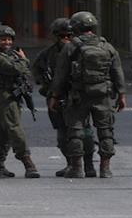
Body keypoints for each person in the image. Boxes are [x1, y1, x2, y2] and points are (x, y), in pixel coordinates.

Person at [50, 11, 125, 179]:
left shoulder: (71, 47)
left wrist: (54, 96)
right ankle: (105, 169)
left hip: (79, 95)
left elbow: (60, 75)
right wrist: (121, 95)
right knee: (105, 131)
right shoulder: (107, 46)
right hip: (103, 95)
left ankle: (77, 168)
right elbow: (117, 72)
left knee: (75, 132)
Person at [33, 18, 97, 177]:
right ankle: (71, 164)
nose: (65, 39)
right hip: (57, 98)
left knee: (84, 132)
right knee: (62, 136)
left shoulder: (83, 51)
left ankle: (89, 165)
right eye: (62, 36)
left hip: (77, 97)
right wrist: (48, 85)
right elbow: (37, 72)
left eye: (69, 35)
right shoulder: (47, 54)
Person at [0, 25, 41, 179]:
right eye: (3, 40)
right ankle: (27, 162)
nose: (7, 42)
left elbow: (25, 72)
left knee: (4, 130)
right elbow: (15, 69)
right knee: (14, 128)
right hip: (3, 96)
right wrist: (24, 60)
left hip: (12, 95)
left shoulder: (11, 54)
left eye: (9, 39)